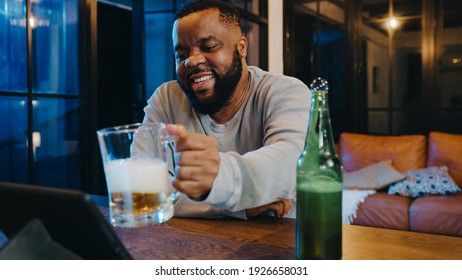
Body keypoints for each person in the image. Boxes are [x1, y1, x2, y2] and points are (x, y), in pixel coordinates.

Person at [142, 0, 311, 219]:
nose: (191, 61)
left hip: (280, 242)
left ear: (241, 47)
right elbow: (146, 193)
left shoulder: (286, 92)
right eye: (181, 55)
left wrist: (216, 178)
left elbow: (289, 167)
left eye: (209, 47)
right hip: (193, 243)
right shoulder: (166, 99)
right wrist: (235, 207)